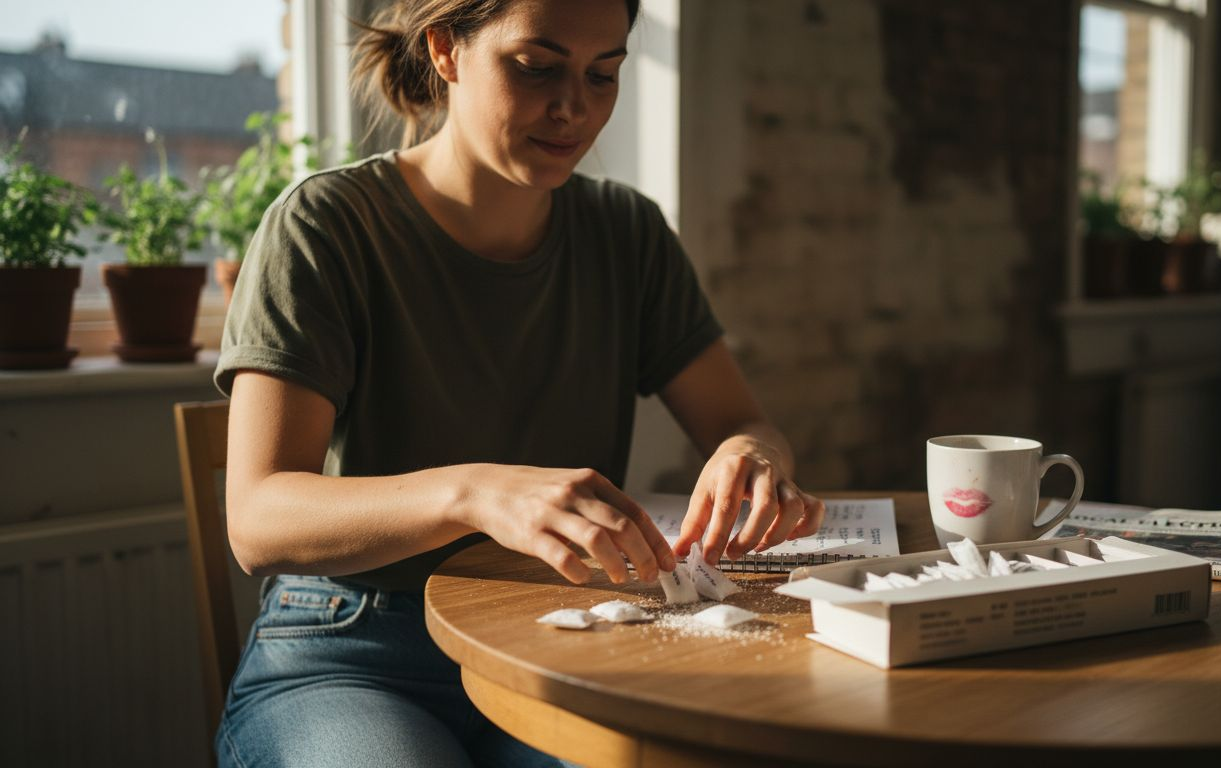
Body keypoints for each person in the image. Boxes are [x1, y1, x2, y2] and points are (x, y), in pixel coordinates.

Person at [213, 0, 825, 765]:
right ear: (445, 50)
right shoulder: (325, 226)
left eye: (603, 75)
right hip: (355, 649)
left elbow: (746, 423)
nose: (573, 108)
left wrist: (754, 456)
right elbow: (258, 518)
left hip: (564, 639)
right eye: (535, 68)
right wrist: (474, 493)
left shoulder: (626, 234)